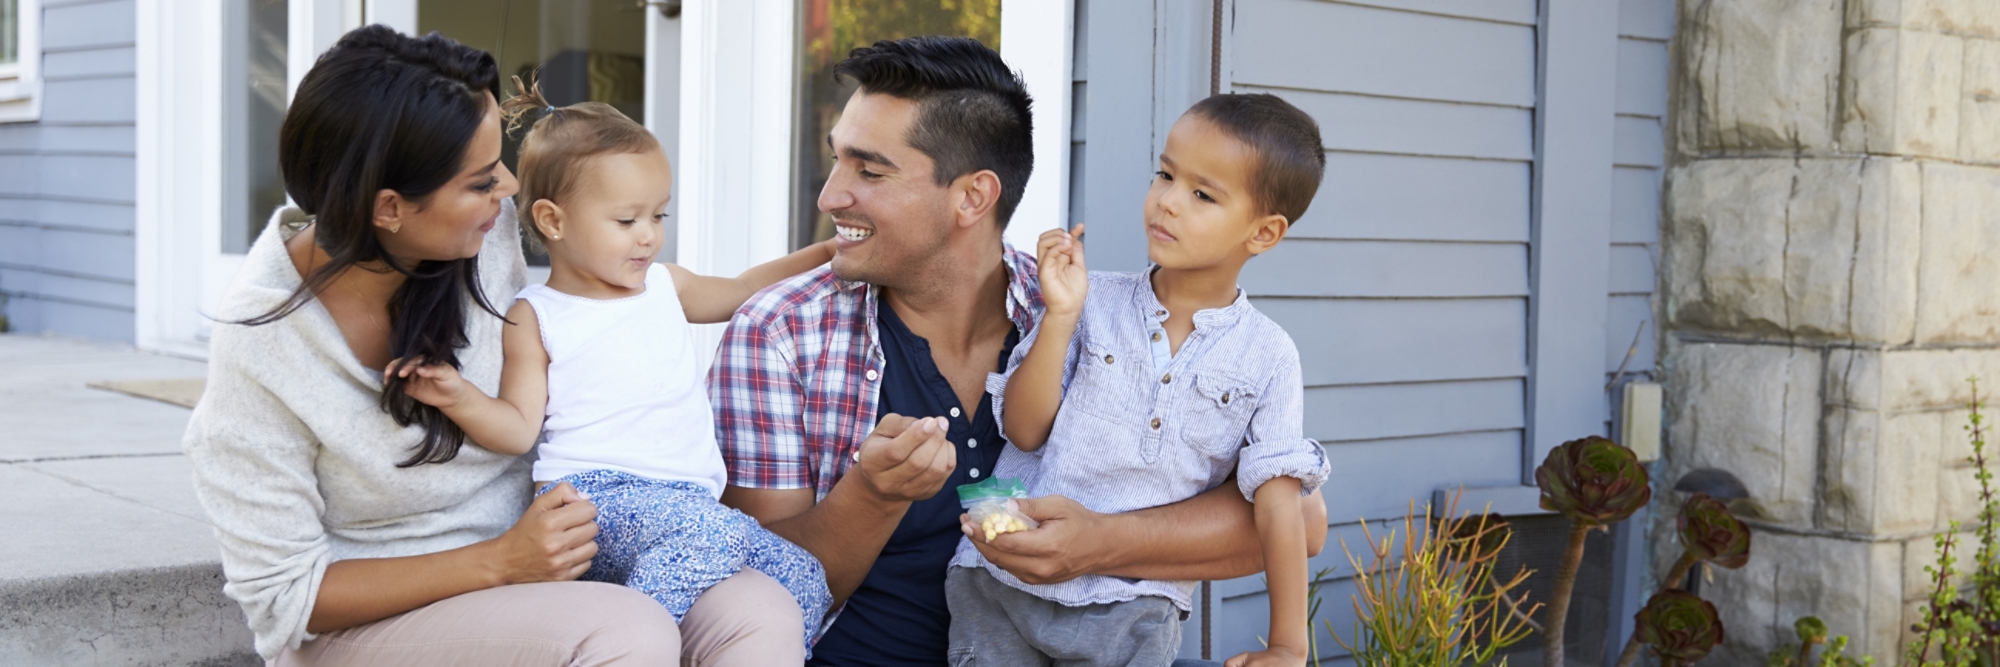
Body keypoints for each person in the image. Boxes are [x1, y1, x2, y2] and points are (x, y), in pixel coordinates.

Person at [183, 25, 800, 665]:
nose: (508, 189)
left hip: (553, 564)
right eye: (481, 181)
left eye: (498, 162)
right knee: (624, 630)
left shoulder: (481, 232)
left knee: (759, 612)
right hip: (379, 617)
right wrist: (501, 561)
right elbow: (286, 597)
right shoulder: (262, 350)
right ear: (389, 208)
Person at [710, 36, 1331, 666]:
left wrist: (1100, 544)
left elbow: (1301, 524)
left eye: (870, 171)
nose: (830, 196)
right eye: (837, 160)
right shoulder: (781, 333)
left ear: (974, 197)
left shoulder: (1079, 311)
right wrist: (871, 494)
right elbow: (748, 597)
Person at [389, 77, 838, 657]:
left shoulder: (664, 287)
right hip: (596, 501)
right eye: (627, 222)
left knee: (803, 576)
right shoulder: (539, 315)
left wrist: (826, 255)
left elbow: (743, 290)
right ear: (553, 220)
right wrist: (456, 396)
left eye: (659, 216)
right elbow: (518, 428)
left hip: (684, 506)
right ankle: (634, 641)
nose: (649, 236)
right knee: (711, 533)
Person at [945, 93, 1331, 667]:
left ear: (1264, 233)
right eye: (1165, 174)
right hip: (1005, 579)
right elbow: (1024, 430)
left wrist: (1287, 646)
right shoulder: (1091, 301)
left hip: (1133, 606)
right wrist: (1060, 317)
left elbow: (1280, 508)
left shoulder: (1269, 356)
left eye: (1202, 194)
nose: (1167, 202)